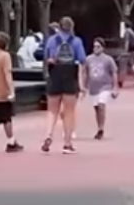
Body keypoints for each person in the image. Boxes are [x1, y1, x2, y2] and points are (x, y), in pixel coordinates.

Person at [38, 17, 87, 154]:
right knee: (69, 111)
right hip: (70, 74)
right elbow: (82, 60)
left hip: (55, 74)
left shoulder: (51, 40)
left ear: (59, 27)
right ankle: (67, 143)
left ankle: (48, 135)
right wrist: (82, 83)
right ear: (72, 27)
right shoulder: (76, 41)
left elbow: (46, 57)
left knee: (52, 110)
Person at [84, 39, 121, 140]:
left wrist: (115, 87)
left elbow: (114, 72)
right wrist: (84, 86)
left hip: (105, 86)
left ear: (103, 48)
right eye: (94, 46)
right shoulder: (89, 59)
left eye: (98, 47)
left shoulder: (108, 60)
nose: (96, 49)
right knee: (96, 108)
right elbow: (85, 72)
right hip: (93, 87)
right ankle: (99, 127)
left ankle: (101, 128)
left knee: (101, 105)